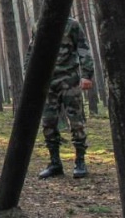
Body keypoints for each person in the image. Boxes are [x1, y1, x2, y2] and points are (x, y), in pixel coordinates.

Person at [28, 16, 95, 179]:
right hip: (48, 82)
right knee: (48, 122)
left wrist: (87, 75)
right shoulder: (39, 25)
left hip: (69, 79)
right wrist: (28, 77)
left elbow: (83, 49)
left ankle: (80, 161)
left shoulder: (72, 24)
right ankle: (55, 163)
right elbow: (32, 52)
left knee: (76, 122)